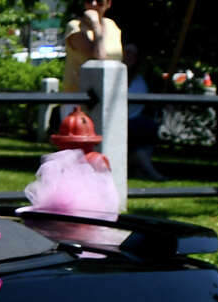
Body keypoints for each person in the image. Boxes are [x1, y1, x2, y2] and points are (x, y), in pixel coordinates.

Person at [61, 0, 122, 116]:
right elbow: (99, 58)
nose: (93, 4)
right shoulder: (75, 27)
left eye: (99, 1)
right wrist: (96, 27)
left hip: (109, 98)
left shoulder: (112, 25)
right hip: (80, 103)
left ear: (108, 4)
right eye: (89, 0)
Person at [124, 43, 165, 180]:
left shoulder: (139, 79)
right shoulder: (114, 75)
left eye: (134, 54)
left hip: (134, 119)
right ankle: (149, 171)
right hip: (119, 121)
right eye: (128, 52)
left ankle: (139, 166)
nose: (130, 56)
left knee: (148, 126)